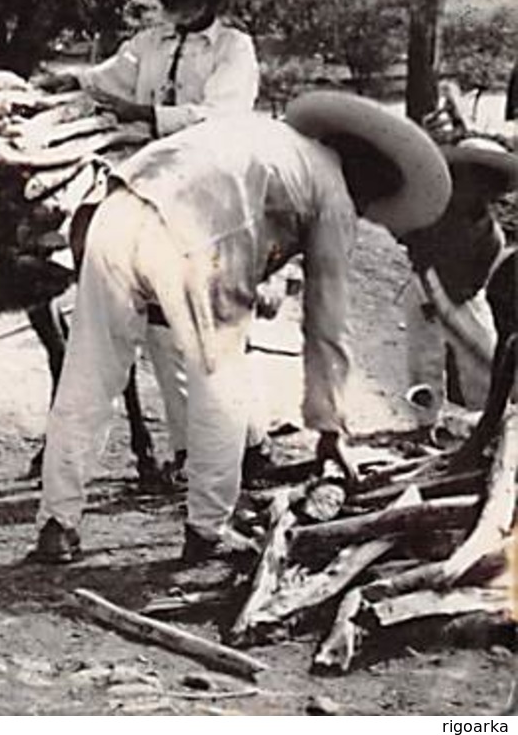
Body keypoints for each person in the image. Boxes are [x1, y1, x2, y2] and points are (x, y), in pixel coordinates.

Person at [32, 92, 451, 565]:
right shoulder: (334, 195)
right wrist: (330, 428)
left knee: (90, 368)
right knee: (222, 383)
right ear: (366, 184)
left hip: (117, 208)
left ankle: (57, 523)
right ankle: (207, 529)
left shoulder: (271, 139)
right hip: (197, 235)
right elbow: (327, 320)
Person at [38, 0, 276, 483]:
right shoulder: (149, 44)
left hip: (211, 194)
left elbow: (218, 116)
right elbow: (105, 79)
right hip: (153, 192)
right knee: (162, 327)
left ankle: (250, 442)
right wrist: (64, 79)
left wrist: (142, 116)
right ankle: (192, 451)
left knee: (214, 324)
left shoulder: (233, 50)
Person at [400, 138, 518, 413]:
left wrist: (451, 300)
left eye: (486, 181)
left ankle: (490, 423)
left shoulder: (490, 235)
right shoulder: (431, 212)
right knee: (423, 362)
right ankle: (424, 424)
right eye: (467, 177)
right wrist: (428, 288)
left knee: (485, 364)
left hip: (463, 297)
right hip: (424, 287)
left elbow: (479, 279)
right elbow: (411, 242)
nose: (475, 187)